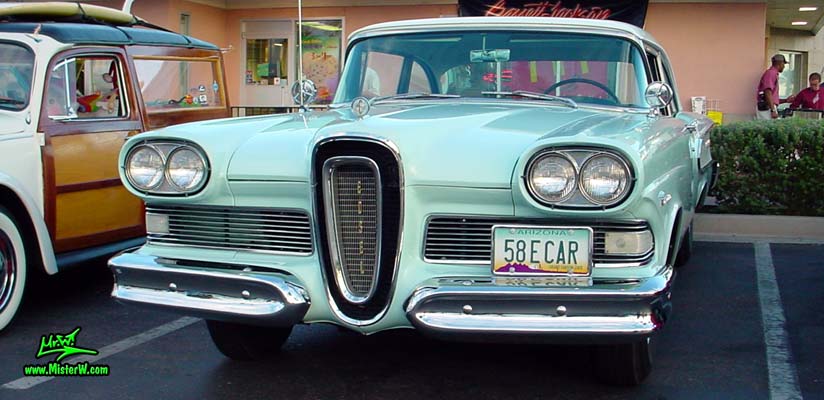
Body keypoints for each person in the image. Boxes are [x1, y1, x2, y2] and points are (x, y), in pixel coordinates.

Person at [756, 54, 795, 120]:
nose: (784, 66)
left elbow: (772, 98)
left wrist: (785, 100)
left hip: (768, 107)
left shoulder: (772, 73)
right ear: (780, 63)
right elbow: (767, 92)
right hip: (767, 108)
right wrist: (773, 110)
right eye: (784, 64)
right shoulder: (771, 73)